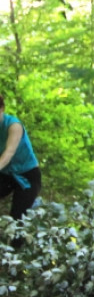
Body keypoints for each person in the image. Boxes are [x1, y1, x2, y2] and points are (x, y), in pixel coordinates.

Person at [0, 94, 42, 232]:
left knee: (18, 218)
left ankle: (16, 249)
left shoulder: (13, 126)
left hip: (27, 175)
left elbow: (9, 153)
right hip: (5, 175)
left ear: (2, 109)